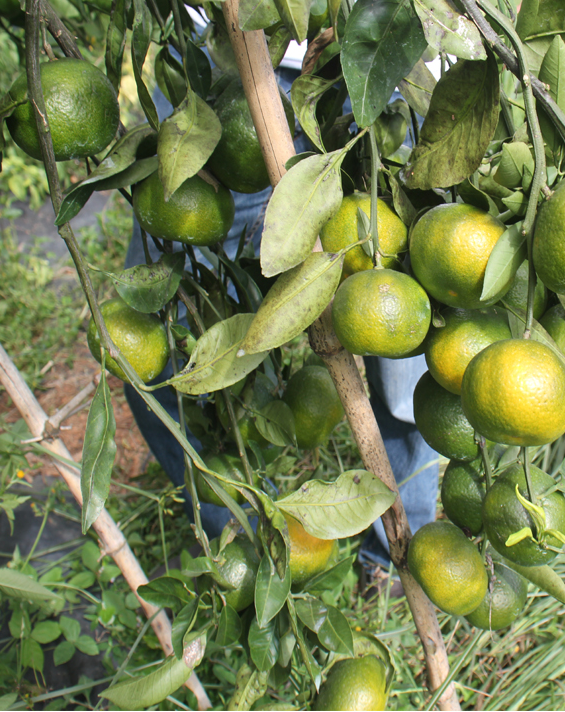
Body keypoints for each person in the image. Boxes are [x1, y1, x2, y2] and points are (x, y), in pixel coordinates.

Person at [123, 33, 439, 594]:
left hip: (380, 61)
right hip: (217, 69)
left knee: (403, 365)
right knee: (154, 350)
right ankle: (249, 536)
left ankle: (395, 551)